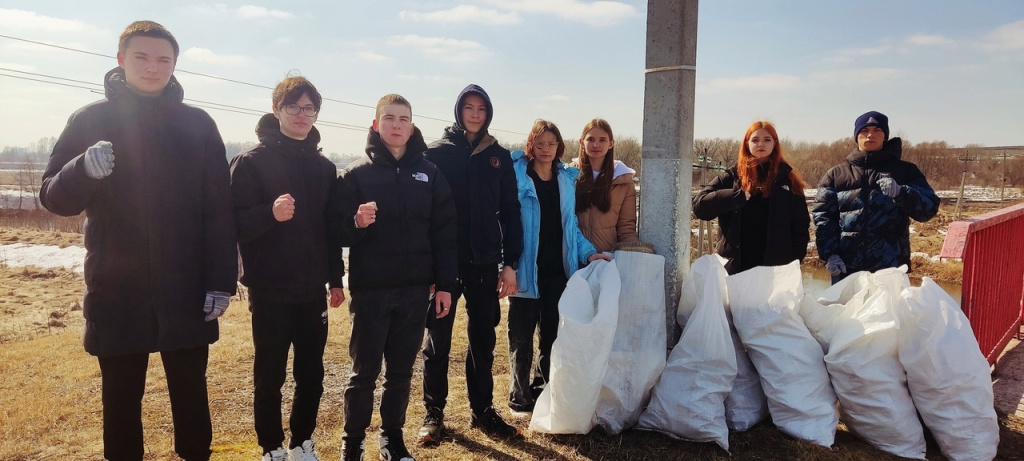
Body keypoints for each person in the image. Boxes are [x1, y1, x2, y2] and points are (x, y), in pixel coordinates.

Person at [38, 20, 236, 461]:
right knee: (121, 401)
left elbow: (219, 211)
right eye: (142, 57)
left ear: (175, 65)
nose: (153, 67)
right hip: (117, 289)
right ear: (121, 59)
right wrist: (81, 170)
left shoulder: (197, 124)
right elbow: (53, 197)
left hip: (186, 289)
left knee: (191, 398)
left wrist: (221, 280)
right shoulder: (91, 120)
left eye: (163, 59)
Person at [329, 94, 457, 461]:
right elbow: (335, 232)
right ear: (375, 125)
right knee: (363, 374)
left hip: (416, 291)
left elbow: (445, 233)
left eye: (404, 119)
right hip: (372, 291)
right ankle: (352, 442)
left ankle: (392, 439)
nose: (397, 125)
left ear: (413, 126)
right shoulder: (356, 174)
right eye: (389, 118)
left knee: (400, 373)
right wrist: (356, 223)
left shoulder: (430, 174)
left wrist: (445, 284)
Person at [229, 76, 344, 461]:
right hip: (270, 290)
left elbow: (330, 231)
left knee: (311, 374)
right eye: (293, 106)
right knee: (270, 375)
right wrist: (270, 213)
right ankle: (272, 447)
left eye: (309, 108)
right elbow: (233, 224)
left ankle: (301, 443)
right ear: (277, 109)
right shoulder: (251, 162)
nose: (301, 114)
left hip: (312, 290)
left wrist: (336, 280)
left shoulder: (324, 168)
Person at [418, 84, 524, 444]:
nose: (475, 114)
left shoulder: (498, 156)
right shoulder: (435, 153)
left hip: (484, 263)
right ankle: (433, 414)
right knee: (438, 341)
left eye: (481, 108)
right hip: (446, 263)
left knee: (483, 339)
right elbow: (423, 212)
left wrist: (510, 263)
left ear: (488, 112)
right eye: (469, 107)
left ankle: (482, 412)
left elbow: (511, 212)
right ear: (458, 110)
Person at [507, 120, 610, 414]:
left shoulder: (566, 180)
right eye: (540, 143)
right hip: (527, 267)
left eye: (551, 144)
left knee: (551, 334)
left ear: (559, 147)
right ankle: (519, 395)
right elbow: (507, 224)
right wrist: (507, 264)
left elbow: (572, 227)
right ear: (531, 145)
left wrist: (588, 253)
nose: (545, 149)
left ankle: (544, 389)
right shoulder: (518, 177)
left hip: (557, 270)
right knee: (521, 336)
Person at [812, 111, 940, 283]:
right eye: (864, 130)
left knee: (887, 311)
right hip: (846, 268)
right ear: (856, 136)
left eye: (877, 130)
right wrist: (830, 254)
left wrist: (902, 193)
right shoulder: (836, 174)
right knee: (846, 311)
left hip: (890, 268)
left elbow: (928, 209)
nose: (870, 135)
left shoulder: (906, 171)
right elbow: (824, 218)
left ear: (885, 136)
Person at [692, 121, 810, 275]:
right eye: (755, 140)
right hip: (735, 272)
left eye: (767, 139)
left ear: (775, 144)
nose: (761, 144)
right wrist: (734, 197)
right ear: (747, 143)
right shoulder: (731, 178)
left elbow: (801, 225)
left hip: (776, 274)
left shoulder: (788, 181)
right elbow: (699, 207)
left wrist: (793, 260)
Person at [574, 119, 640, 253]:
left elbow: (626, 228)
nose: (596, 144)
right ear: (581, 142)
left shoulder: (622, 180)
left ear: (611, 143)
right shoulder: (569, 175)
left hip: (607, 259)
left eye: (602, 140)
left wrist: (632, 256)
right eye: (590, 139)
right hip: (572, 258)